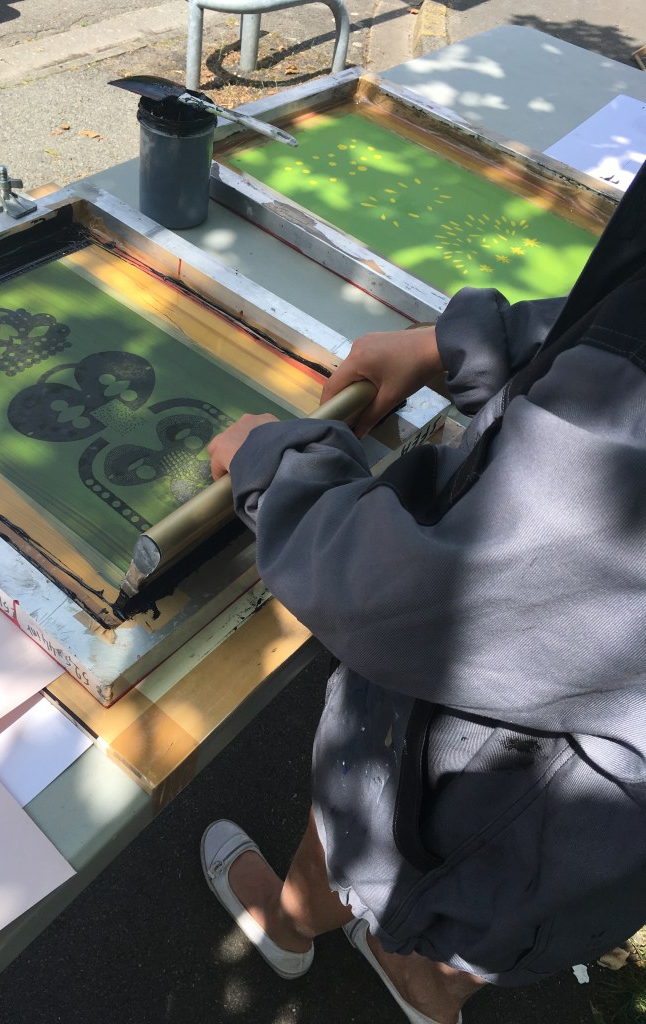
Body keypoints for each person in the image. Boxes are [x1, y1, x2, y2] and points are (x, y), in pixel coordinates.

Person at [199, 157, 646, 1024]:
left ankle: (289, 927)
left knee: (384, 824)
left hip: (497, 777)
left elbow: (438, 597)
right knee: (504, 915)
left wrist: (278, 470)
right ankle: (427, 986)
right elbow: (619, 320)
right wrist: (475, 345)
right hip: (602, 824)